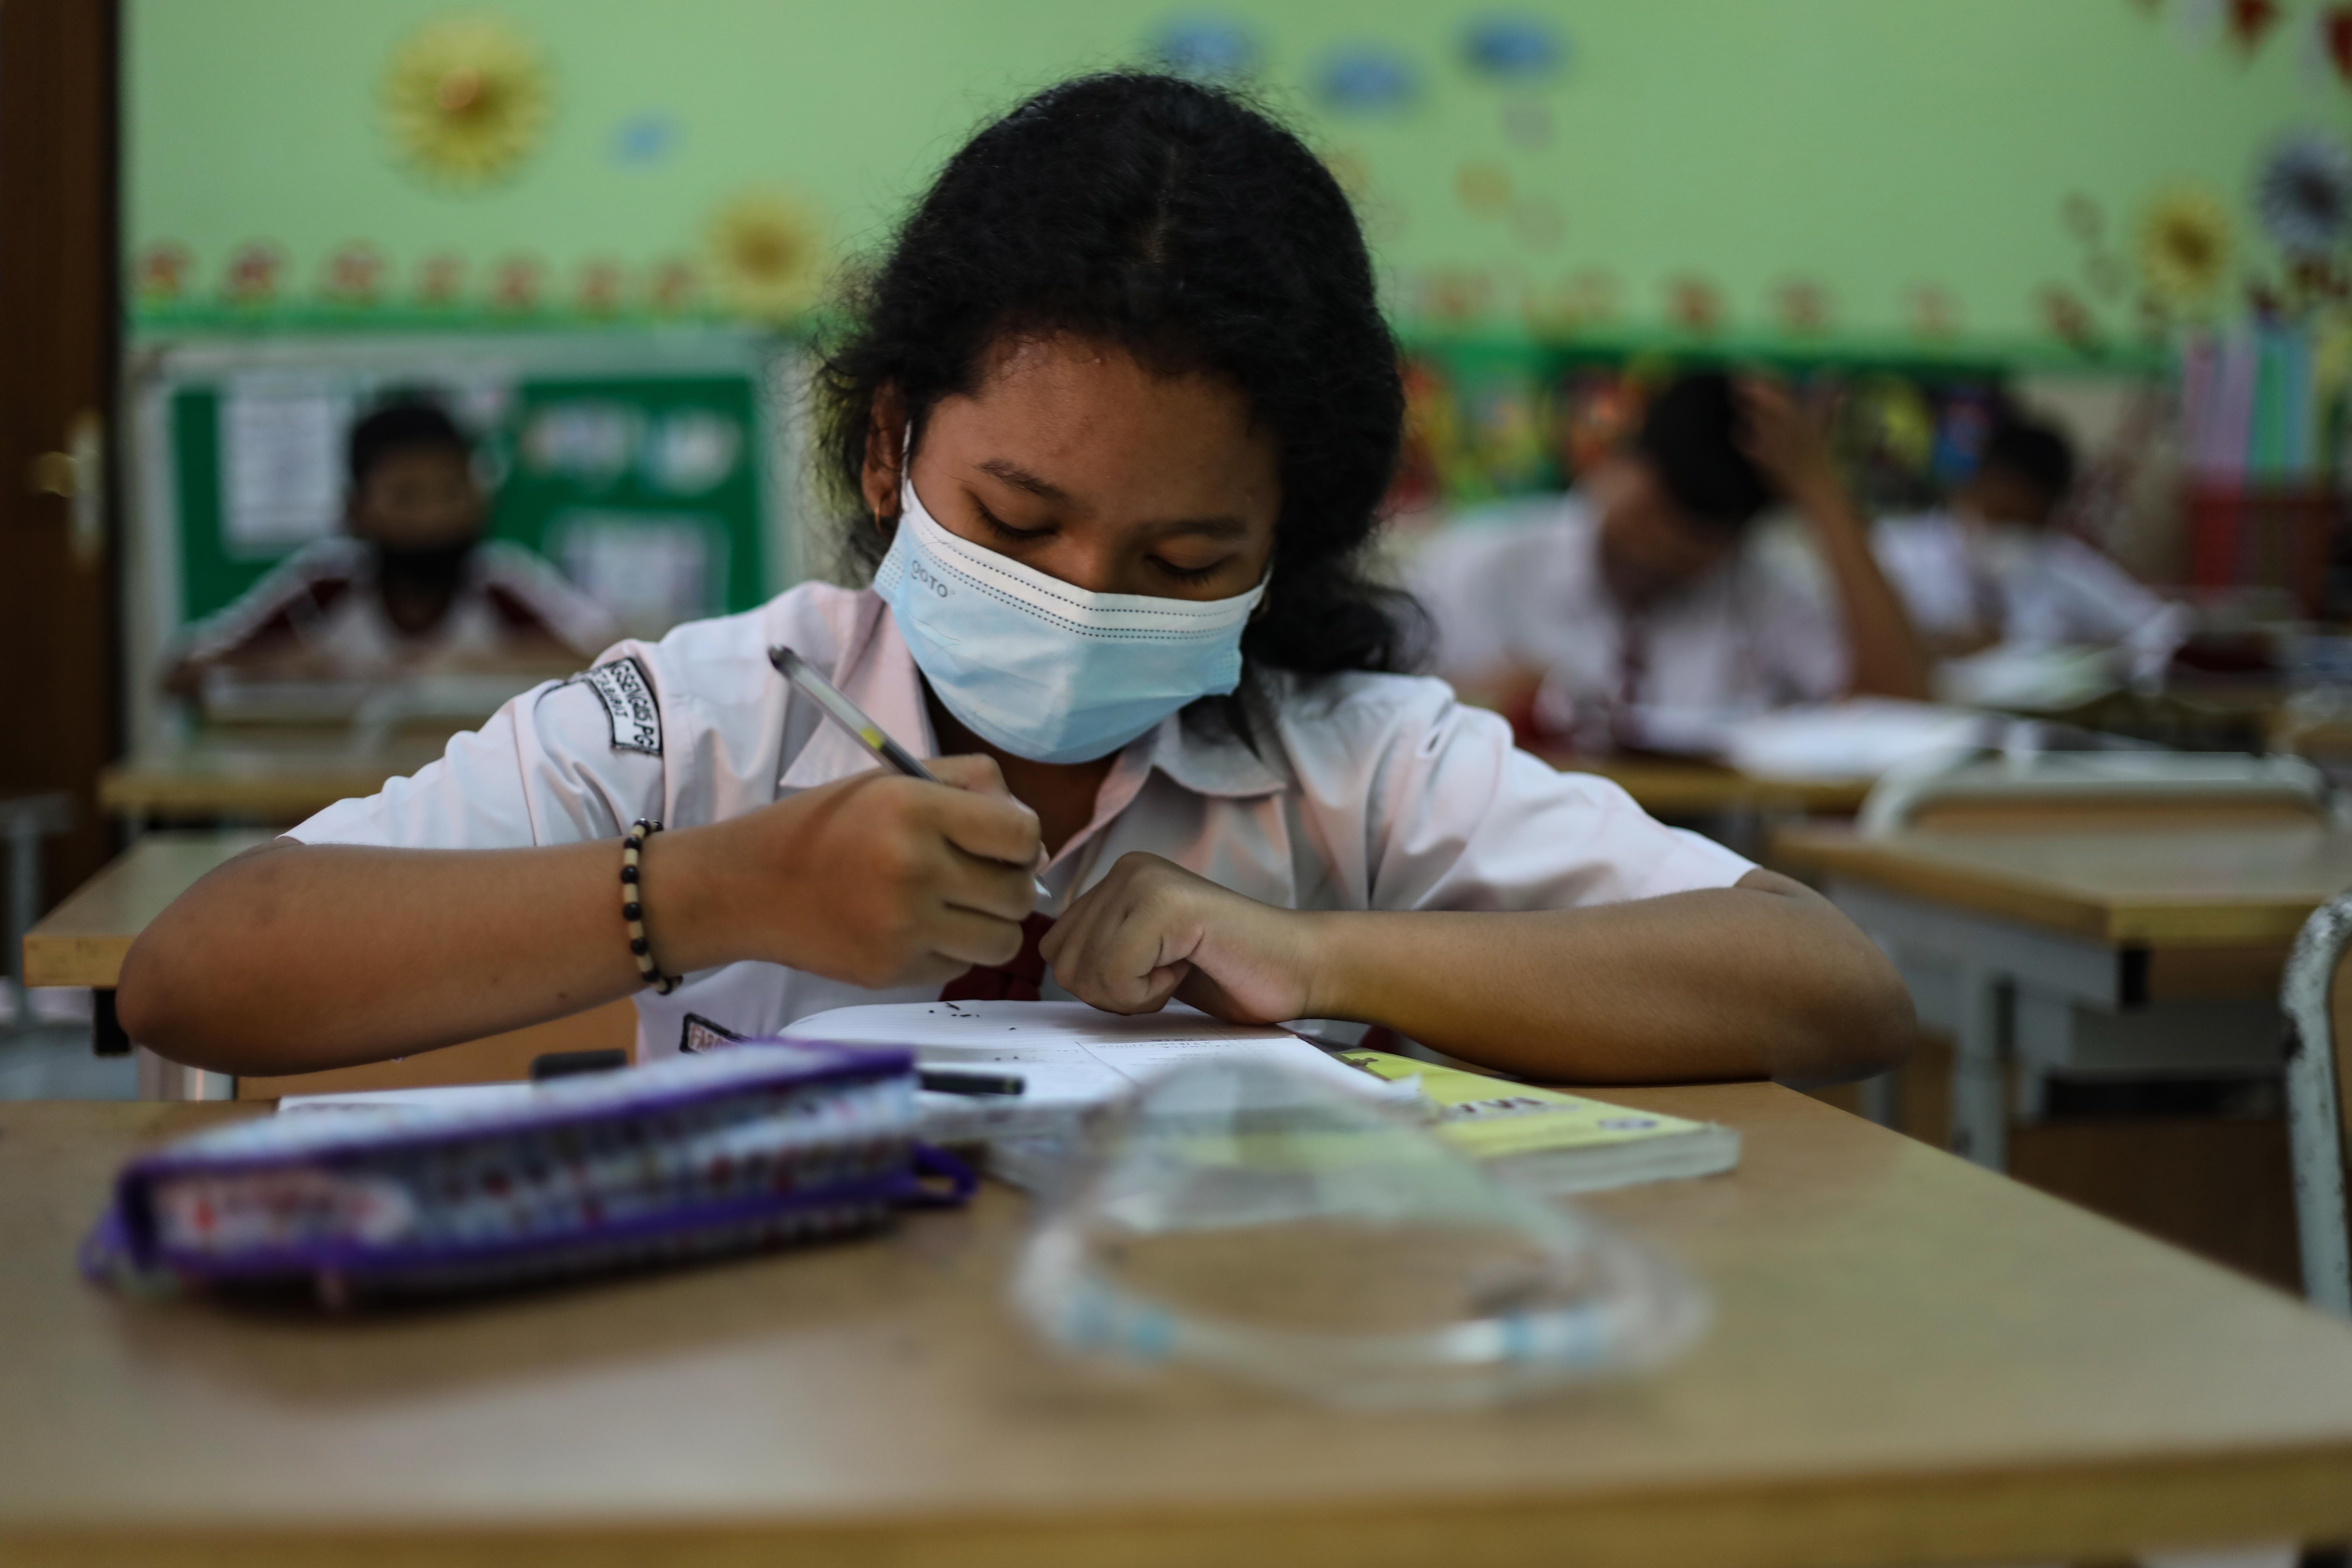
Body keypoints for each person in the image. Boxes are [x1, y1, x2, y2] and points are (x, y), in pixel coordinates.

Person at [118, 74, 1911, 1087]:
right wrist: (731, 881)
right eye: (1022, 515)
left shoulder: (1344, 756)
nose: (1083, 591)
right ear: (893, 445)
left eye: (1186, 555)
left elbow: (1826, 980)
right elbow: (197, 976)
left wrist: (1328, 947)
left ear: (1286, 539)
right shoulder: (716, 714)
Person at [1410, 372, 1930, 754]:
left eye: (1691, 548)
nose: (1658, 550)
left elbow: (1902, 713)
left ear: (1734, 542)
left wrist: (1821, 493)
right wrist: (1476, 699)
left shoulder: (1755, 588)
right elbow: (1378, 721)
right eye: (1650, 518)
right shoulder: (1481, 562)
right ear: (1616, 463)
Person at [163, 398, 616, 696]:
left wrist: (489, 664)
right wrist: (279, 667)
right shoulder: (322, 592)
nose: (433, 516)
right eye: (406, 498)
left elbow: (611, 668)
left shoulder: (500, 585)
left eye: (453, 493)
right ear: (355, 510)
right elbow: (180, 673)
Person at [1873, 414, 2188, 672]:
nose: (2011, 532)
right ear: (1977, 484)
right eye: (2002, 514)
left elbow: (2163, 629)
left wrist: (2074, 656)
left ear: (2050, 516)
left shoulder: (2060, 563)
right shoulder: (1897, 551)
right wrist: (1930, 646)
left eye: (2028, 524)